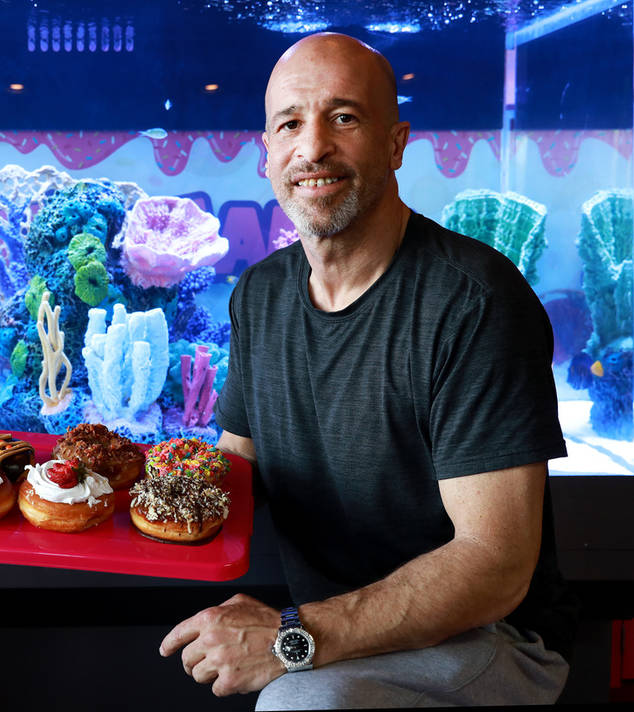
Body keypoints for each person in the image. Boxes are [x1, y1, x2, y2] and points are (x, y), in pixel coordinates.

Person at [158, 32, 576, 709]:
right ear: (266, 152)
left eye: (343, 118)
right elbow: (234, 477)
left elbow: (495, 566)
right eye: (290, 123)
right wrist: (94, 488)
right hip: (341, 629)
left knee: (298, 703)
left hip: (490, 636)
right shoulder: (259, 295)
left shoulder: (474, 301)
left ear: (395, 143)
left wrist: (290, 637)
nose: (313, 147)